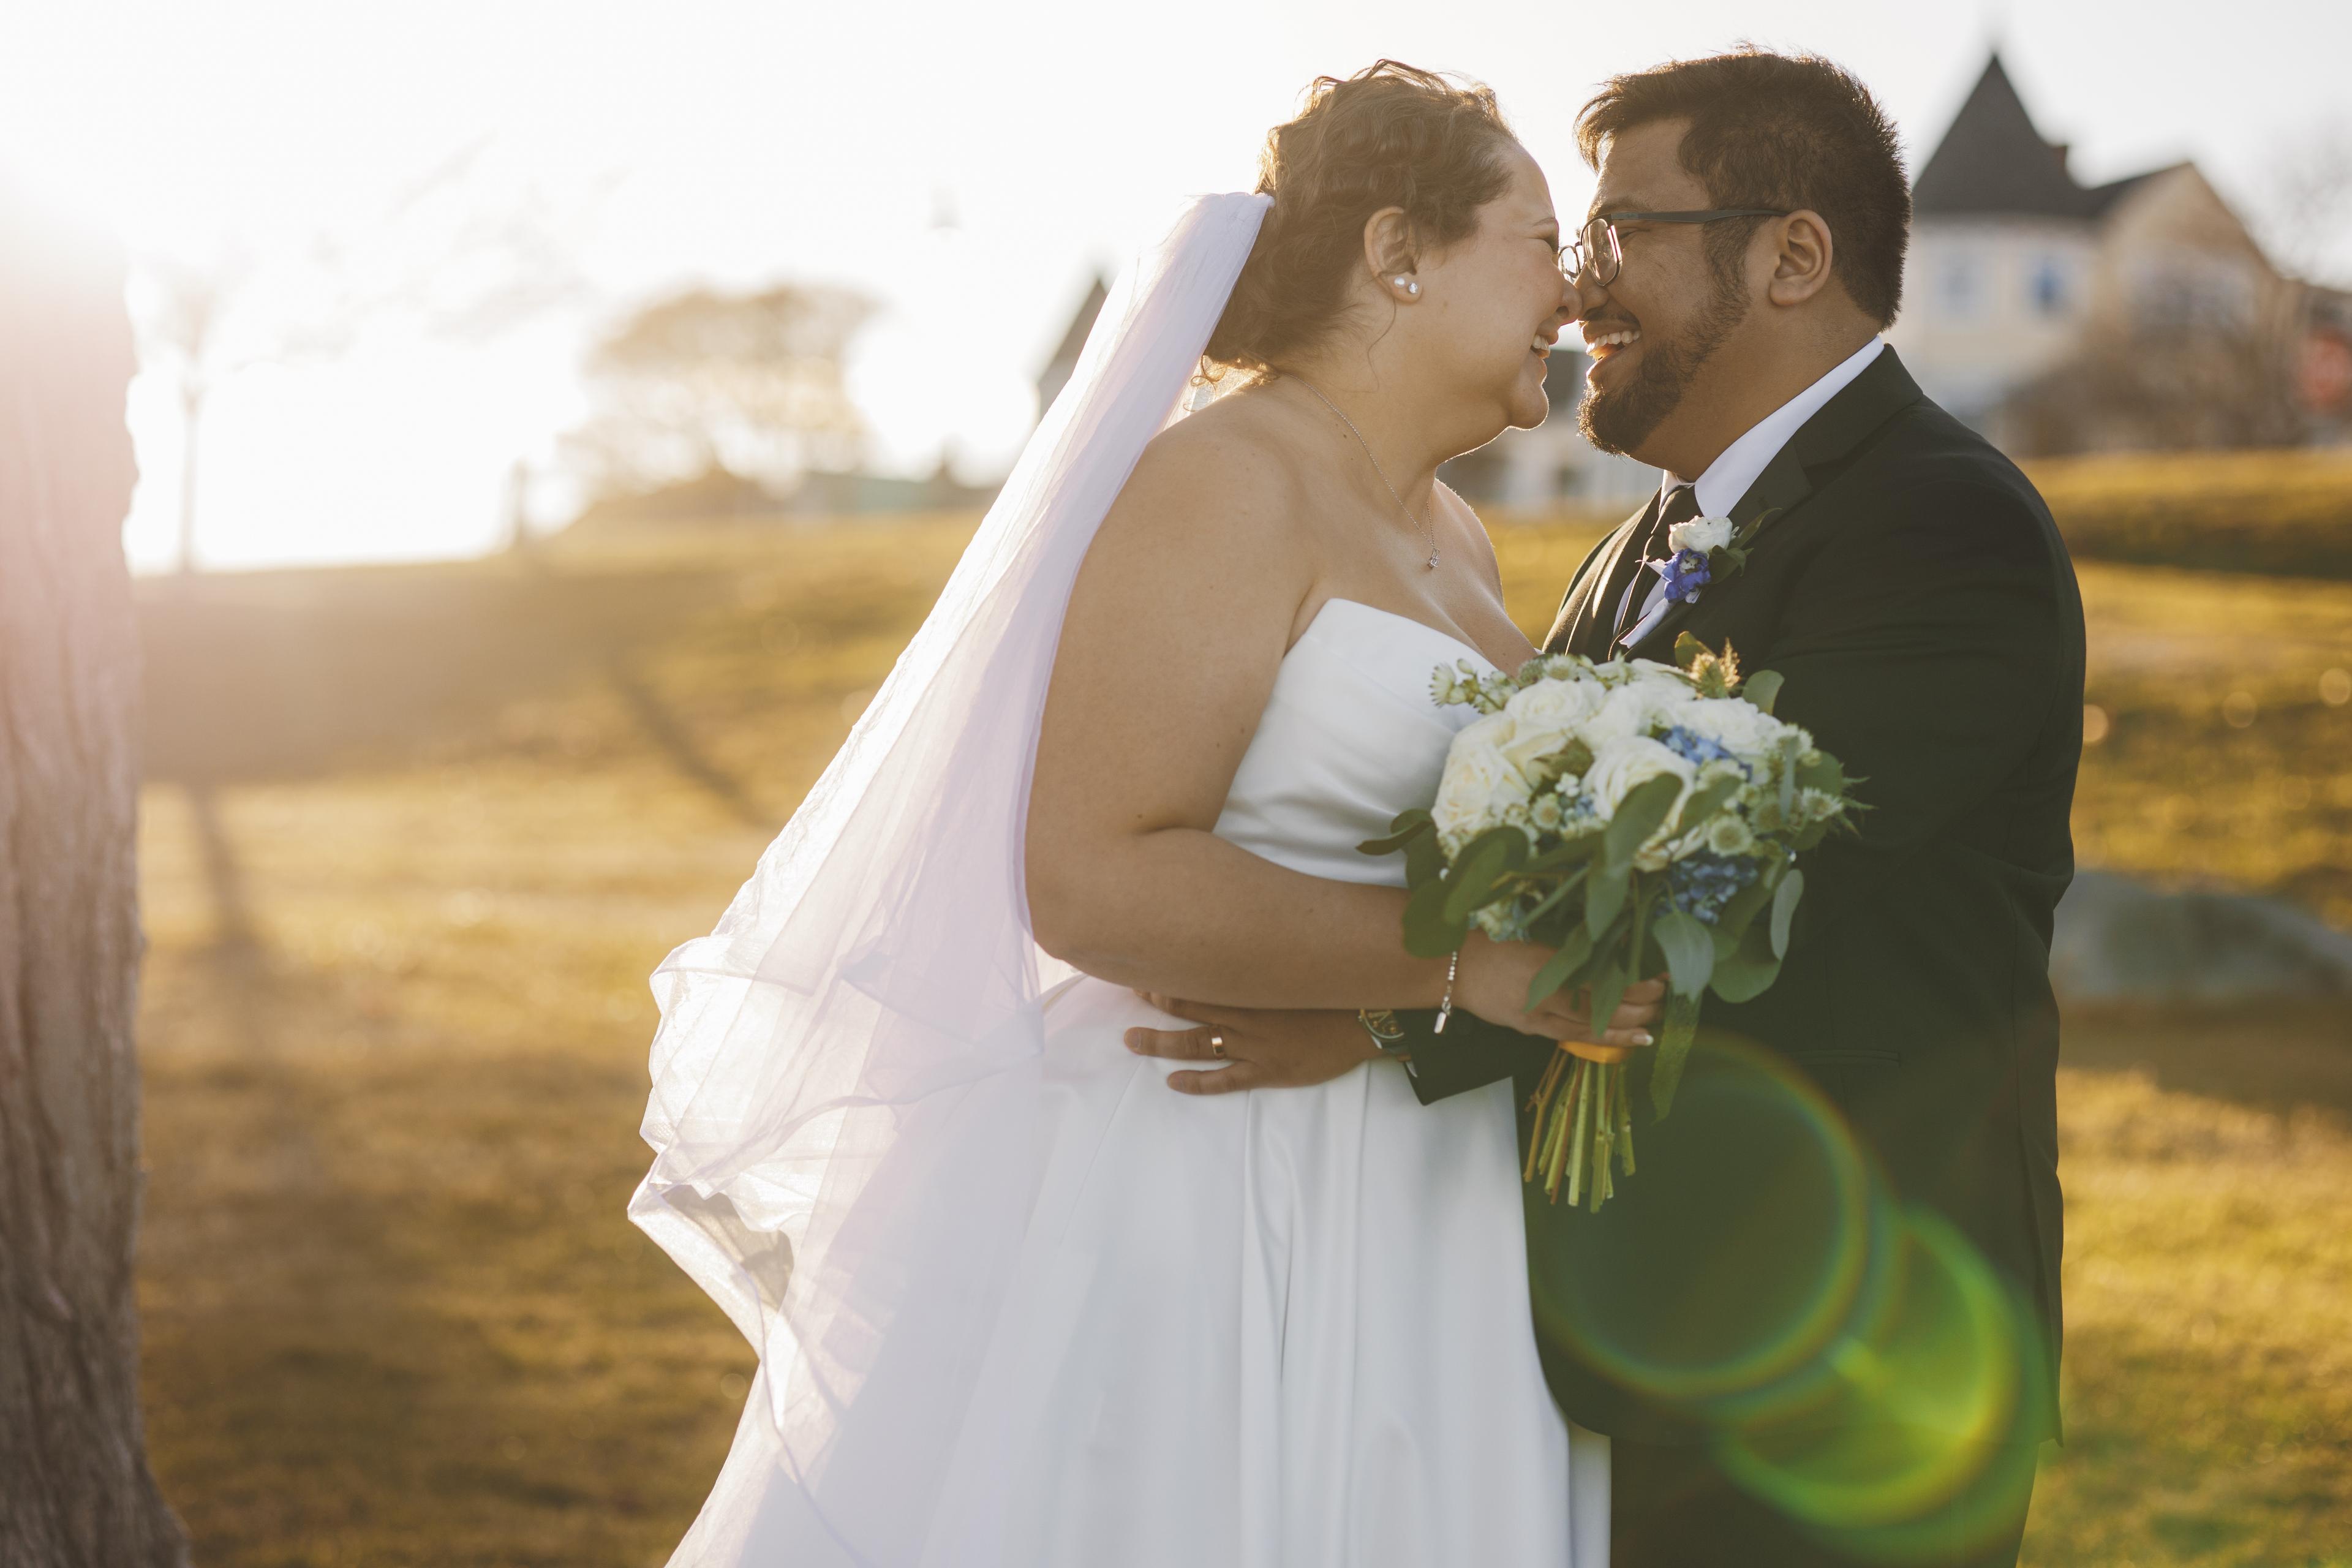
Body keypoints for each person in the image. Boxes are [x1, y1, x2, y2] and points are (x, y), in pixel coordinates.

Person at [634, 62, 1653, 1567]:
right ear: (1398, 252)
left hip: (1418, 1176)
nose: (1572, 292)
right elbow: (1093, 874)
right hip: (1219, 1176)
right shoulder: (1221, 483)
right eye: (1538, 235)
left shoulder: (1452, 530)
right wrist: (1463, 969)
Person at [1129, 49, 2082, 1568]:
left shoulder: (1941, 521)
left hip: (1858, 1356)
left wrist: (1387, 1016)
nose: (1581, 291)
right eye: (1571, 242)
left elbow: (1746, 875)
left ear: (1792, 254)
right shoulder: (1638, 541)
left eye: (1624, 230)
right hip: (1629, 1335)